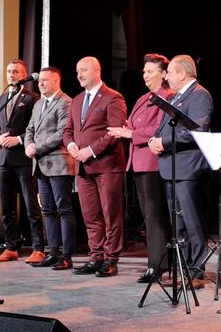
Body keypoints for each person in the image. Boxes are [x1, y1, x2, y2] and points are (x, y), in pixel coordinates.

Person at [107, 53, 173, 283]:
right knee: (148, 214)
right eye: (144, 71)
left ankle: (157, 265)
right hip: (138, 161)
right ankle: (158, 262)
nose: (145, 75)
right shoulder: (144, 98)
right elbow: (134, 124)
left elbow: (159, 129)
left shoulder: (167, 97)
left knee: (154, 215)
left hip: (153, 162)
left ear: (163, 74)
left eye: (150, 71)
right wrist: (124, 128)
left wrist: (130, 133)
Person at [148, 54, 213, 289]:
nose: (167, 77)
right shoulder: (175, 97)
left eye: (171, 72)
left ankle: (196, 272)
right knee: (179, 223)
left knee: (192, 222)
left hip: (188, 169)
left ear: (183, 74)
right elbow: (165, 127)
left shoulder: (200, 95)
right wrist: (155, 139)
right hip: (172, 167)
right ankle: (183, 269)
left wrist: (163, 142)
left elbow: (197, 131)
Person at [63, 56, 127, 277]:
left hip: (107, 166)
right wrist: (71, 145)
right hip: (83, 168)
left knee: (111, 215)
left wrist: (89, 150)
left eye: (84, 70)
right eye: (77, 71)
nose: (79, 75)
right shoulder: (77, 100)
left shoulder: (113, 97)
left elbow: (115, 132)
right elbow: (68, 130)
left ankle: (111, 259)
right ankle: (96, 256)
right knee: (90, 216)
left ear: (97, 71)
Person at [0, 59, 45, 263]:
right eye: (9, 71)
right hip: (4, 159)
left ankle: (38, 248)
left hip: (24, 159)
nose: (11, 75)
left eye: (15, 71)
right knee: (7, 206)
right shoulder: (1, 98)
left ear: (24, 75)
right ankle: (10, 247)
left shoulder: (32, 99)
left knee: (31, 206)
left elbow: (37, 128)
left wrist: (19, 139)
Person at [25, 67, 76, 270]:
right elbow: (29, 129)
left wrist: (37, 147)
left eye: (45, 80)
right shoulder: (38, 104)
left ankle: (67, 255)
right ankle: (53, 252)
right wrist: (28, 145)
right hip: (40, 165)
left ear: (56, 81)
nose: (40, 83)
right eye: (39, 81)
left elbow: (62, 133)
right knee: (47, 210)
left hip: (59, 164)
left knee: (64, 209)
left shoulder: (66, 102)